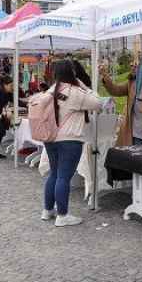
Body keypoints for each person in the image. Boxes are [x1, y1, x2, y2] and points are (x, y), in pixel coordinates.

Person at [40, 60, 103, 227]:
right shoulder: (75, 92)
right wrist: (85, 86)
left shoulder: (51, 90)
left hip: (50, 138)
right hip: (69, 139)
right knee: (63, 177)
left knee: (54, 174)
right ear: (72, 73)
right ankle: (62, 215)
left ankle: (47, 210)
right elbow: (98, 103)